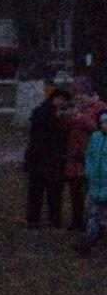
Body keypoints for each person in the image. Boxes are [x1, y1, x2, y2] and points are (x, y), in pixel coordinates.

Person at [61, 77, 107, 230]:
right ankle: (77, 219)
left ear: (89, 93)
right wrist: (66, 118)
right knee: (75, 190)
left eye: (80, 93)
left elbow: (97, 128)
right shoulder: (75, 107)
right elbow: (67, 130)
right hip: (73, 154)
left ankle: (94, 222)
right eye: (75, 93)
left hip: (91, 154)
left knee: (91, 190)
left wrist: (81, 118)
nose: (78, 96)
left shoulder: (100, 107)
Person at [23, 82, 69, 229]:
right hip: (39, 157)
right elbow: (37, 129)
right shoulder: (41, 111)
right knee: (36, 191)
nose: (61, 101)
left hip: (56, 158)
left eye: (63, 99)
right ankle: (33, 219)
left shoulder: (65, 115)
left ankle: (55, 219)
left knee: (54, 191)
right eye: (58, 98)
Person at [75, 110, 107, 256]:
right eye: (103, 123)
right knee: (94, 215)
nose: (104, 125)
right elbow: (89, 156)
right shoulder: (96, 137)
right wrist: (89, 172)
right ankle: (88, 241)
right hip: (96, 183)